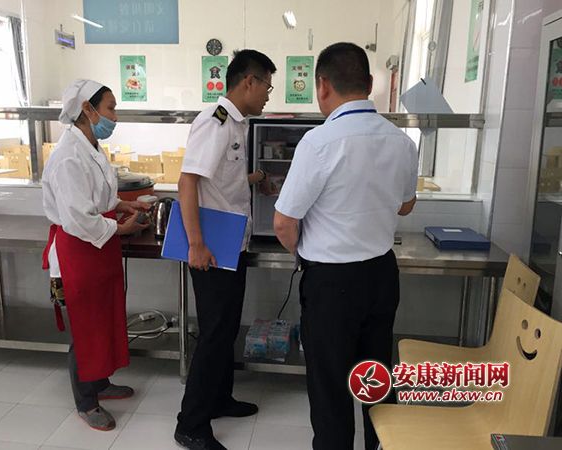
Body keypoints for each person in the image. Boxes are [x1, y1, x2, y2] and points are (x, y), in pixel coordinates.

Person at [273, 42, 418, 450]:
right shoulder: (402, 141)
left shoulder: (318, 142)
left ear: (322, 85)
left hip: (331, 283)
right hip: (381, 275)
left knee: (331, 385)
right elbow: (406, 205)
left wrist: (302, 252)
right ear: (369, 84)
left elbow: (283, 222)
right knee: (375, 375)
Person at [175, 49, 276, 450]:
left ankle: (219, 398)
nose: (267, 94)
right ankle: (191, 424)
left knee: (228, 327)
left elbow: (221, 179)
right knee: (215, 334)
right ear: (249, 81)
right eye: (267, 86)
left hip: (232, 242)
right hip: (212, 247)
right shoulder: (214, 122)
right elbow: (187, 182)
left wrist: (256, 178)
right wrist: (196, 244)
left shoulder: (236, 124)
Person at [41, 79, 150, 431]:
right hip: (79, 250)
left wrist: (121, 205)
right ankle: (86, 402)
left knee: (103, 319)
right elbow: (77, 218)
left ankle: (100, 382)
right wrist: (120, 228)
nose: (114, 117)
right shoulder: (67, 157)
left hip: (99, 249)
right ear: (87, 109)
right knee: (85, 326)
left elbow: (97, 196)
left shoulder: (91, 146)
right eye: (110, 108)